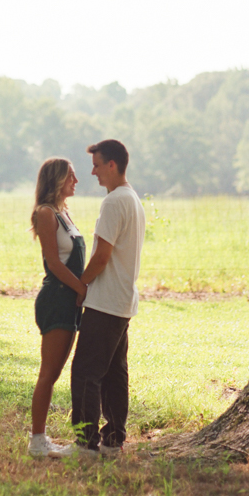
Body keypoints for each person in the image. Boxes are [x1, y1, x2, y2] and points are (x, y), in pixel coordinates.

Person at [64, 139, 145, 458]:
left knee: (86, 372)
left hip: (105, 301)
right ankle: (113, 441)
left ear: (113, 165)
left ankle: (85, 445)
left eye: (97, 165)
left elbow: (101, 257)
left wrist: (80, 287)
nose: (93, 172)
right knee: (113, 373)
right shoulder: (132, 198)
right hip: (123, 301)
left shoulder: (113, 202)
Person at [28, 157, 87, 458]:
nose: (76, 182)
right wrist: (81, 289)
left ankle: (41, 438)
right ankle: (37, 441)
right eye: (71, 177)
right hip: (57, 299)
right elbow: (54, 263)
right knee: (48, 373)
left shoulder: (65, 213)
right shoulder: (46, 214)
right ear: (57, 180)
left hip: (71, 299)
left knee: (56, 372)